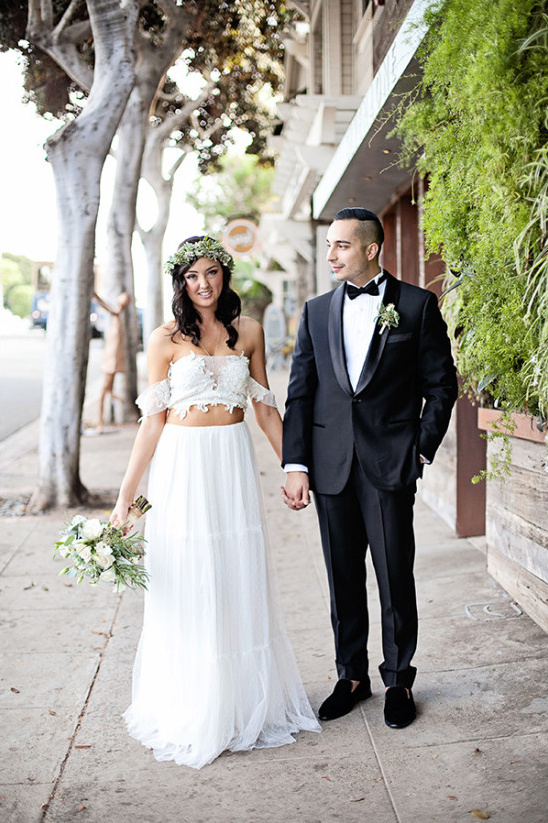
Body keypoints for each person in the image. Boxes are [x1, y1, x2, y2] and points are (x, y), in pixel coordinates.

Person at [110, 236, 320, 769]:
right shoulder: (163, 340)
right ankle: (193, 707)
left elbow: (266, 409)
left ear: (224, 275)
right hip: (182, 465)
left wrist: (294, 467)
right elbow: (150, 425)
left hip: (230, 463)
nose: (203, 284)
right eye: (192, 276)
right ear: (180, 282)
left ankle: (240, 705)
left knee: (233, 575)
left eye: (211, 272)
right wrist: (125, 499)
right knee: (190, 576)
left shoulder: (247, 332)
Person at [281, 207, 458, 729]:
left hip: (389, 465)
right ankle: (351, 676)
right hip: (330, 466)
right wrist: (296, 464)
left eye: (340, 245)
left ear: (371, 249)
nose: (331, 254)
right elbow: (301, 394)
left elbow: (441, 386)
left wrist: (419, 450)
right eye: (330, 245)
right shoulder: (314, 313)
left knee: (393, 575)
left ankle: (399, 679)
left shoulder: (416, 305)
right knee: (342, 577)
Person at [93, 290, 131, 432]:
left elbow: (105, 306)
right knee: (106, 390)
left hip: (112, 358)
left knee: (103, 392)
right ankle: (102, 417)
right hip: (111, 356)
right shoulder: (118, 317)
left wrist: (96, 296)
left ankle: (100, 422)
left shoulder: (117, 314)